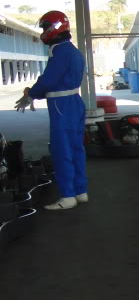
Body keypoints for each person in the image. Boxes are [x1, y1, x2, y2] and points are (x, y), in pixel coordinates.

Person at [16, 11, 87, 211]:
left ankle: (67, 196)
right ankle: (81, 191)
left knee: (61, 149)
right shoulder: (72, 50)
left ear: (54, 28)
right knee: (76, 148)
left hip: (61, 105)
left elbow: (49, 79)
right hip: (74, 102)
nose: (43, 32)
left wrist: (31, 94)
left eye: (45, 27)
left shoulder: (59, 51)